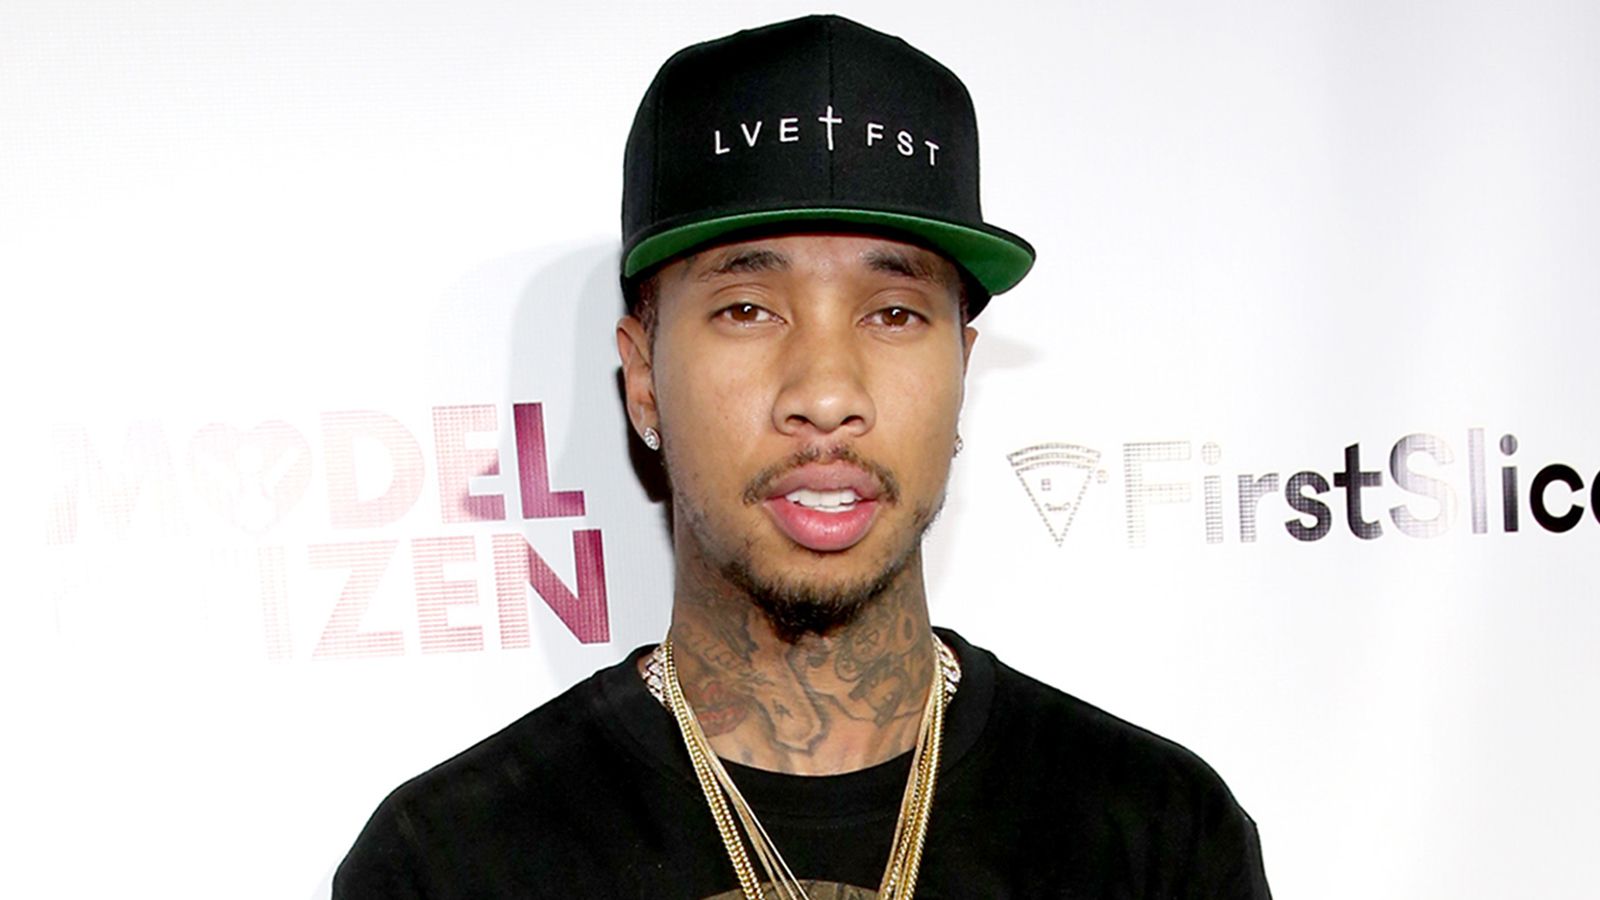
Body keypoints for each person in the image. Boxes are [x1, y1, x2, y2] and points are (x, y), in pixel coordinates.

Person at [335, 14, 1272, 899]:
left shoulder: (1159, 837)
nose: (826, 393)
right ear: (644, 378)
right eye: (747, 309)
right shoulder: (449, 864)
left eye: (893, 313)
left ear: (962, 370)